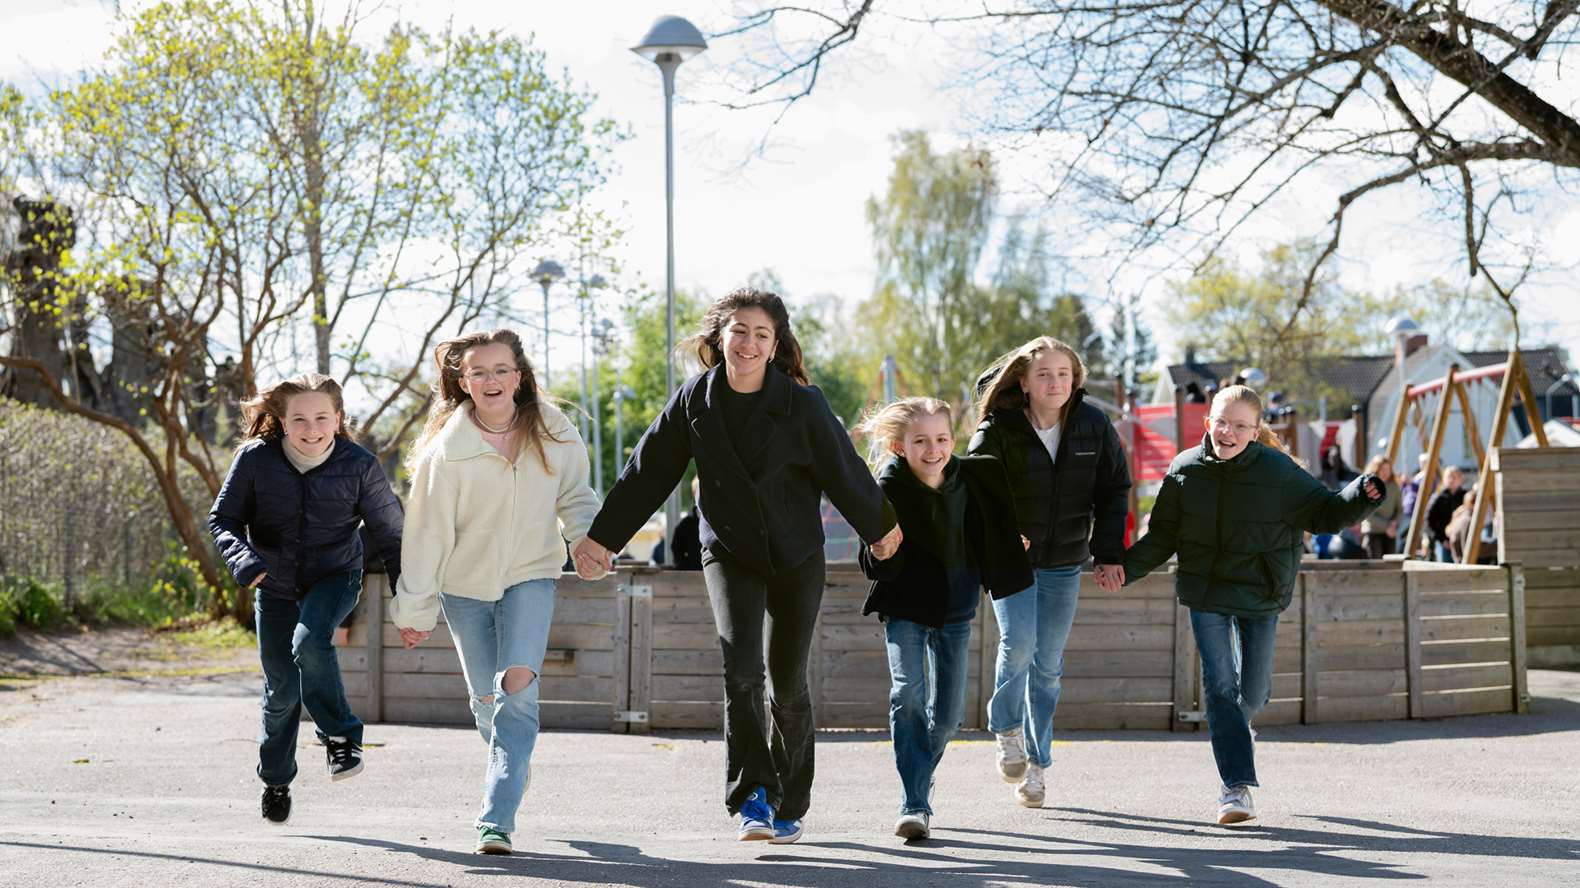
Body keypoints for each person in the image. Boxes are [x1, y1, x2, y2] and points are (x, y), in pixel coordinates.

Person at [572, 287, 903, 844]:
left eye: (761, 334)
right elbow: (649, 470)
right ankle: (753, 796)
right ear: (719, 337)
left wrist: (880, 525)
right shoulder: (694, 401)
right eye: (739, 331)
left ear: (775, 346)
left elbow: (842, 468)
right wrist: (603, 539)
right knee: (742, 671)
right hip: (728, 551)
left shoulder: (802, 404)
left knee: (787, 683)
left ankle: (789, 798)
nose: (748, 343)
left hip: (796, 554)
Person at [1121, 385, 1383, 826]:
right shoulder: (1185, 469)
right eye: (1222, 423)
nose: (1229, 432)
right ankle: (1235, 788)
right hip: (1206, 592)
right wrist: (1123, 569)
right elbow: (1163, 535)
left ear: (1256, 431)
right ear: (1209, 423)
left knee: (1255, 692)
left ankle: (1238, 732)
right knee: (1220, 686)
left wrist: (1361, 493)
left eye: (1240, 426)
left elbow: (1325, 513)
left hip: (1260, 592)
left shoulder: (1278, 472)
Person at [390, 329, 602, 856]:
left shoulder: (553, 430)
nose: (491, 380)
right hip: (464, 588)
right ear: (463, 382)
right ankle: (512, 761)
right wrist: (416, 608)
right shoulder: (447, 452)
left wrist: (585, 541)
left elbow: (575, 495)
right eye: (478, 372)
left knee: (517, 687)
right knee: (488, 702)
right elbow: (426, 536)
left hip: (532, 574)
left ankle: (496, 819)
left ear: (519, 376)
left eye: (501, 370)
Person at [208, 373, 404, 826]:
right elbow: (223, 519)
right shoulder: (256, 459)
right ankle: (276, 780)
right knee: (281, 690)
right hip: (274, 583)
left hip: (336, 575)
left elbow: (391, 534)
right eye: (299, 419)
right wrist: (244, 560)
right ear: (281, 421)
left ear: (338, 419)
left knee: (310, 640)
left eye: (321, 418)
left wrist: (408, 601)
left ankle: (341, 737)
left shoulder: (359, 465)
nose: (311, 429)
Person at [854, 397, 1032, 840]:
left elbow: (989, 531)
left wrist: (1008, 543)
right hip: (906, 608)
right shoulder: (886, 489)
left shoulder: (974, 479)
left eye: (941, 439)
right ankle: (914, 803)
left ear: (954, 440)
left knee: (949, 717)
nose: (932, 450)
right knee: (907, 694)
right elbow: (872, 561)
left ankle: (918, 777)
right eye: (920, 441)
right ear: (900, 447)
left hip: (956, 610)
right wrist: (879, 552)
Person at [966, 336, 1130, 807]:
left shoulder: (1093, 425)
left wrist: (1107, 553)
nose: (1055, 382)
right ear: (1024, 382)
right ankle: (1006, 731)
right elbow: (974, 487)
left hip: (1064, 562)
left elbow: (1114, 489)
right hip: (1012, 561)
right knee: (1018, 644)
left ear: (1075, 380)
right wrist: (1001, 533)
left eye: (1063, 374)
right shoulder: (998, 428)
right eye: (1044, 374)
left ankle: (1037, 768)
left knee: (1048, 666)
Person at [1358, 456, 1401, 558]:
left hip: (1390, 532)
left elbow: (1399, 508)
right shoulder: (1368, 486)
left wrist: (1394, 522)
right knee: (1375, 562)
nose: (1385, 472)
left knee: (1390, 563)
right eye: (1382, 469)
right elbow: (1367, 513)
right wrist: (1386, 527)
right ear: (1376, 469)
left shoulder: (1394, 485)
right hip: (1373, 531)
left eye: (1387, 469)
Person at [1425, 466, 1468, 563]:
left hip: (1461, 542)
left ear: (1460, 479)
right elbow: (1428, 521)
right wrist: (1441, 540)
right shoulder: (1438, 498)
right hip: (1444, 542)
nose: (1451, 480)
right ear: (1444, 479)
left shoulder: (1465, 496)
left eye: (1454, 477)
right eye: (1449, 477)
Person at [1396, 454, 1430, 555]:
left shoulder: (1430, 476)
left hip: (1416, 510)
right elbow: (1407, 491)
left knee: (1403, 533)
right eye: (1421, 462)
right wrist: (1404, 484)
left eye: (1425, 462)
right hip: (1408, 509)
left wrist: (1411, 483)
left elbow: (1424, 491)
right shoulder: (1418, 475)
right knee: (1404, 534)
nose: (1422, 464)